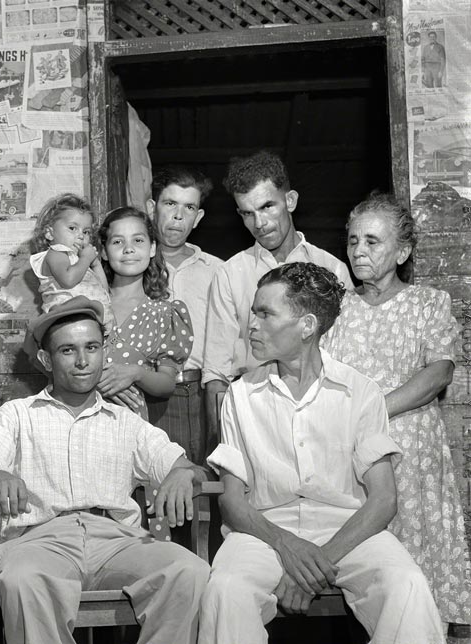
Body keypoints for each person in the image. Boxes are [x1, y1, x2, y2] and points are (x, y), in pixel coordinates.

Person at [199, 262, 444, 644]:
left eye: (265, 314)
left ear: (307, 326)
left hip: (348, 531)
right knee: (226, 589)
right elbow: (232, 502)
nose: (251, 325)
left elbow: (383, 500)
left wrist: (318, 563)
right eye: (253, 312)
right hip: (264, 532)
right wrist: (287, 545)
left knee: (407, 584)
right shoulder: (240, 395)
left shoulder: (360, 392)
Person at [0, 296, 211, 644]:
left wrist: (185, 473)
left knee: (189, 571)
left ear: (103, 350)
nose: (82, 361)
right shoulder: (17, 414)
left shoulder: (127, 422)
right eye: (68, 350)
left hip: (118, 543)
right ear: (47, 359)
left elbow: (193, 471)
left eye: (92, 347)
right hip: (41, 541)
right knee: (21, 581)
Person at [322, 194, 471, 628]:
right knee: (364, 577)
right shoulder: (337, 308)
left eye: (372, 241)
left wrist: (374, 411)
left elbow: (438, 372)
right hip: (354, 461)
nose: (359, 251)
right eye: (352, 242)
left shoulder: (429, 302)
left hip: (414, 458)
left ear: (402, 252)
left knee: (418, 577)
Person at [202, 150, 352, 448]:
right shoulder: (230, 274)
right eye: (247, 212)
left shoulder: (333, 269)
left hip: (323, 417)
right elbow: (216, 373)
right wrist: (225, 448)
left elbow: (347, 358)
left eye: (267, 206)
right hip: (255, 419)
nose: (259, 223)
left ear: (290, 200)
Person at [146, 167, 223, 462]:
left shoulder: (217, 270)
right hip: (147, 391)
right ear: (152, 208)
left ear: (198, 217)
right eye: (170, 204)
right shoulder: (132, 264)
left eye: (189, 207)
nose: (178, 216)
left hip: (202, 393)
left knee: (205, 484)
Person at [97, 206, 194, 419]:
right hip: (79, 419)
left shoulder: (165, 314)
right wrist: (94, 380)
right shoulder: (87, 303)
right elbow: (48, 357)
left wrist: (136, 373)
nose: (128, 249)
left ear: (152, 248)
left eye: (138, 240)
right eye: (117, 242)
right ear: (104, 251)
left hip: (130, 427)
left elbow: (167, 384)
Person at [28, 193, 114, 329]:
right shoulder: (56, 253)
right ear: (50, 233)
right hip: (66, 325)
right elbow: (68, 280)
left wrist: (96, 265)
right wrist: (86, 259)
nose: (80, 236)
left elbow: (103, 291)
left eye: (86, 232)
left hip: (92, 325)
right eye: (72, 228)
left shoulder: (79, 262)